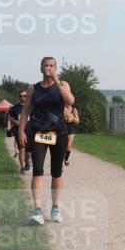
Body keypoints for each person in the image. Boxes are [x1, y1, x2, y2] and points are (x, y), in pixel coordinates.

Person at [18, 58, 75, 225]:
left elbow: (70, 101)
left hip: (58, 132)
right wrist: (21, 131)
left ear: (56, 68)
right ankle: (37, 210)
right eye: (46, 65)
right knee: (37, 170)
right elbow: (25, 111)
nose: (48, 68)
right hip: (38, 132)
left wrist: (56, 80)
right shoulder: (33, 88)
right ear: (40, 68)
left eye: (51, 65)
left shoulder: (63, 84)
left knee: (57, 171)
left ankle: (55, 208)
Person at [7, 90, 32, 174]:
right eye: (21, 96)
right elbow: (10, 118)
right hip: (18, 130)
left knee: (28, 151)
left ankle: (27, 162)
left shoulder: (31, 106)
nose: (23, 97)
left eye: (24, 96)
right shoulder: (14, 108)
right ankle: (22, 168)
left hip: (29, 130)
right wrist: (17, 123)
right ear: (19, 97)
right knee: (21, 148)